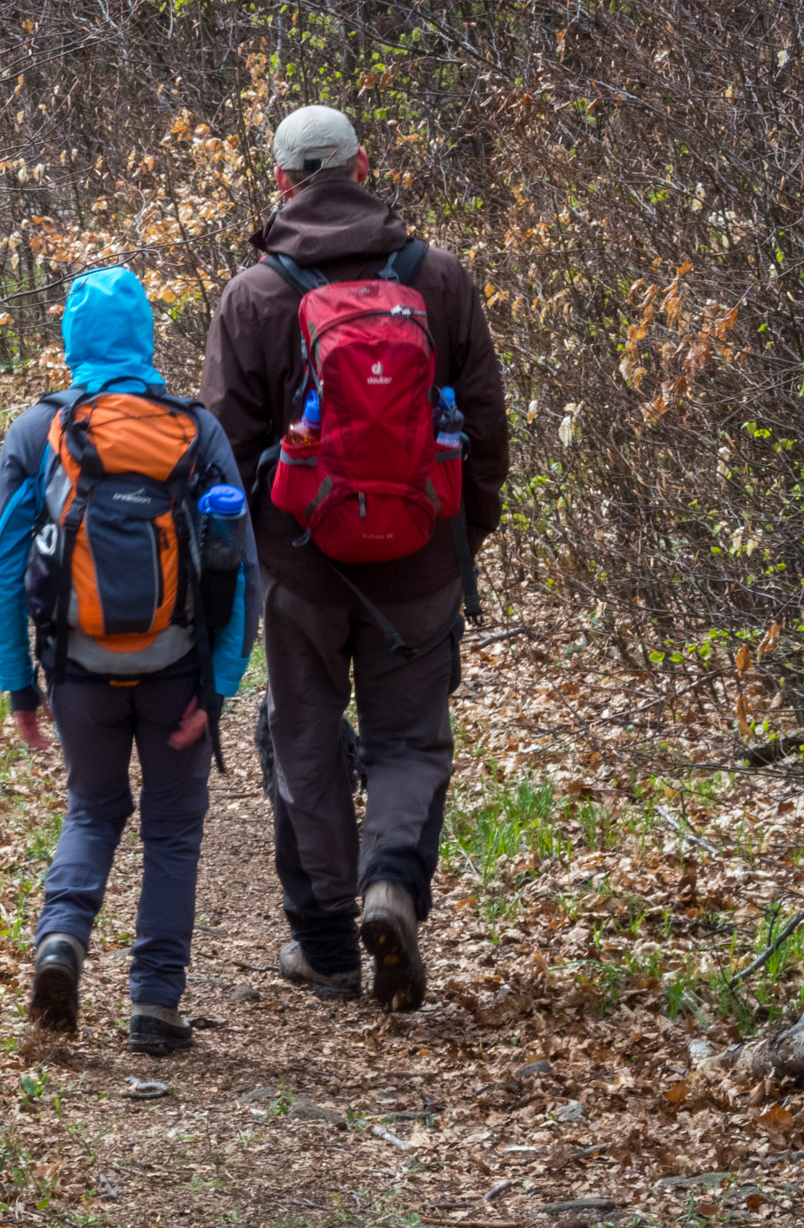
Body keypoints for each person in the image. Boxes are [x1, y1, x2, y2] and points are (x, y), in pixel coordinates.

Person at [199, 105, 510, 1010]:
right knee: (410, 739)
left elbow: (223, 449)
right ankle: (392, 890)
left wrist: (242, 566)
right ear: (363, 165)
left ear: (283, 180)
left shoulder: (254, 296)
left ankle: (330, 946)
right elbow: (485, 425)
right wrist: (460, 538)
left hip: (300, 563)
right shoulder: (438, 279)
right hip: (419, 557)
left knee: (300, 737)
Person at [0, 266, 258, 1055]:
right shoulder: (195, 429)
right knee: (172, 829)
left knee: (93, 810)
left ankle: (61, 942)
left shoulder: (40, 431)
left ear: (72, 341)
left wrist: (18, 686)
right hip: (175, 670)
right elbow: (242, 568)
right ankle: (155, 1006)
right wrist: (222, 683)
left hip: (78, 670)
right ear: (145, 334)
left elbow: (1, 571)